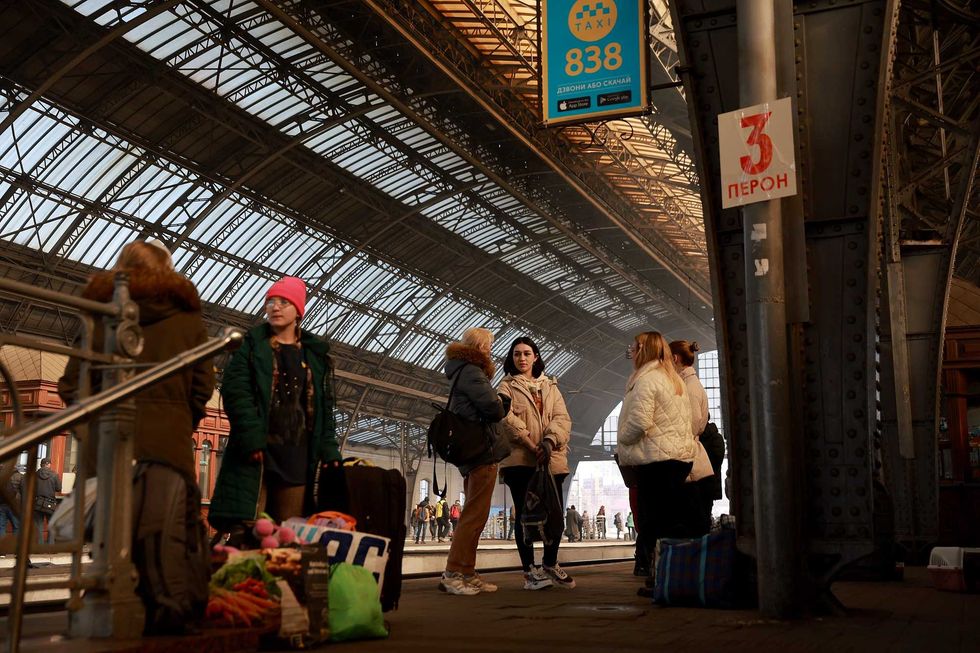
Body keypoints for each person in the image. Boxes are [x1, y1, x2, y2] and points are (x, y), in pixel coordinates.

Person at [58, 239, 215, 485]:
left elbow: (71, 383)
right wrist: (181, 420)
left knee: (101, 520)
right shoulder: (188, 320)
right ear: (167, 270)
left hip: (104, 449)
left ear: (120, 267)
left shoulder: (99, 315)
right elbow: (203, 386)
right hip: (169, 449)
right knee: (162, 520)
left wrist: (93, 423)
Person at [208, 277, 342, 530]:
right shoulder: (251, 346)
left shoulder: (314, 355)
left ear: (299, 311)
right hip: (257, 454)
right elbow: (236, 392)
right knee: (250, 530)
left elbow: (324, 409)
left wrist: (329, 449)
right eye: (270, 301)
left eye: (284, 301)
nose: (275, 307)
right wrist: (251, 438)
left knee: (289, 533)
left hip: (297, 457)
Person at [497, 336, 575, 590]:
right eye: (517, 354)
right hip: (520, 461)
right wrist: (531, 444)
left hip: (552, 460)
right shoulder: (505, 387)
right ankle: (530, 571)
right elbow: (504, 418)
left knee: (556, 516)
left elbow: (562, 419)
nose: (522, 358)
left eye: (527, 353)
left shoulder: (551, 387)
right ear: (512, 357)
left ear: (536, 357)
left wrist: (549, 443)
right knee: (525, 517)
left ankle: (550, 564)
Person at [618, 331, 696, 582]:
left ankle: (656, 573)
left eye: (634, 348)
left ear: (643, 349)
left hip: (655, 460)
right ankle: (673, 571)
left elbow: (640, 421)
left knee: (651, 520)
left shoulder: (648, 379)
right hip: (678, 459)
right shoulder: (674, 380)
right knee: (670, 519)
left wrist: (622, 440)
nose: (631, 353)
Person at [438, 327, 508, 596]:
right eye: (488, 345)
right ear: (479, 347)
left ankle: (467, 571)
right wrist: (504, 401)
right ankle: (453, 572)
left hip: (474, 451)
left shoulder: (460, 371)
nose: (490, 350)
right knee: (473, 516)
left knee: (475, 515)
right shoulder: (471, 371)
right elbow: (493, 408)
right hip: (481, 451)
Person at [669, 339, 719, 536]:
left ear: (675, 359)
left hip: (690, 463)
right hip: (693, 461)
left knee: (691, 524)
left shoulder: (688, 388)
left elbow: (690, 425)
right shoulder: (691, 384)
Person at [33, 459, 61, 544]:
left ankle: (40, 546)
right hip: (50, 503)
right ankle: (50, 546)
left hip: (38, 503)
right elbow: (58, 488)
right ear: (48, 464)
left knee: (39, 525)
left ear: (41, 465)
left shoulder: (35, 475)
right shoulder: (54, 475)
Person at [0, 463, 22, 535]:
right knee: (16, 526)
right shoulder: (20, 476)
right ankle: (14, 544)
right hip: (14, 504)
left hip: (1, 504)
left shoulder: (3, 476)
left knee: (1, 526)